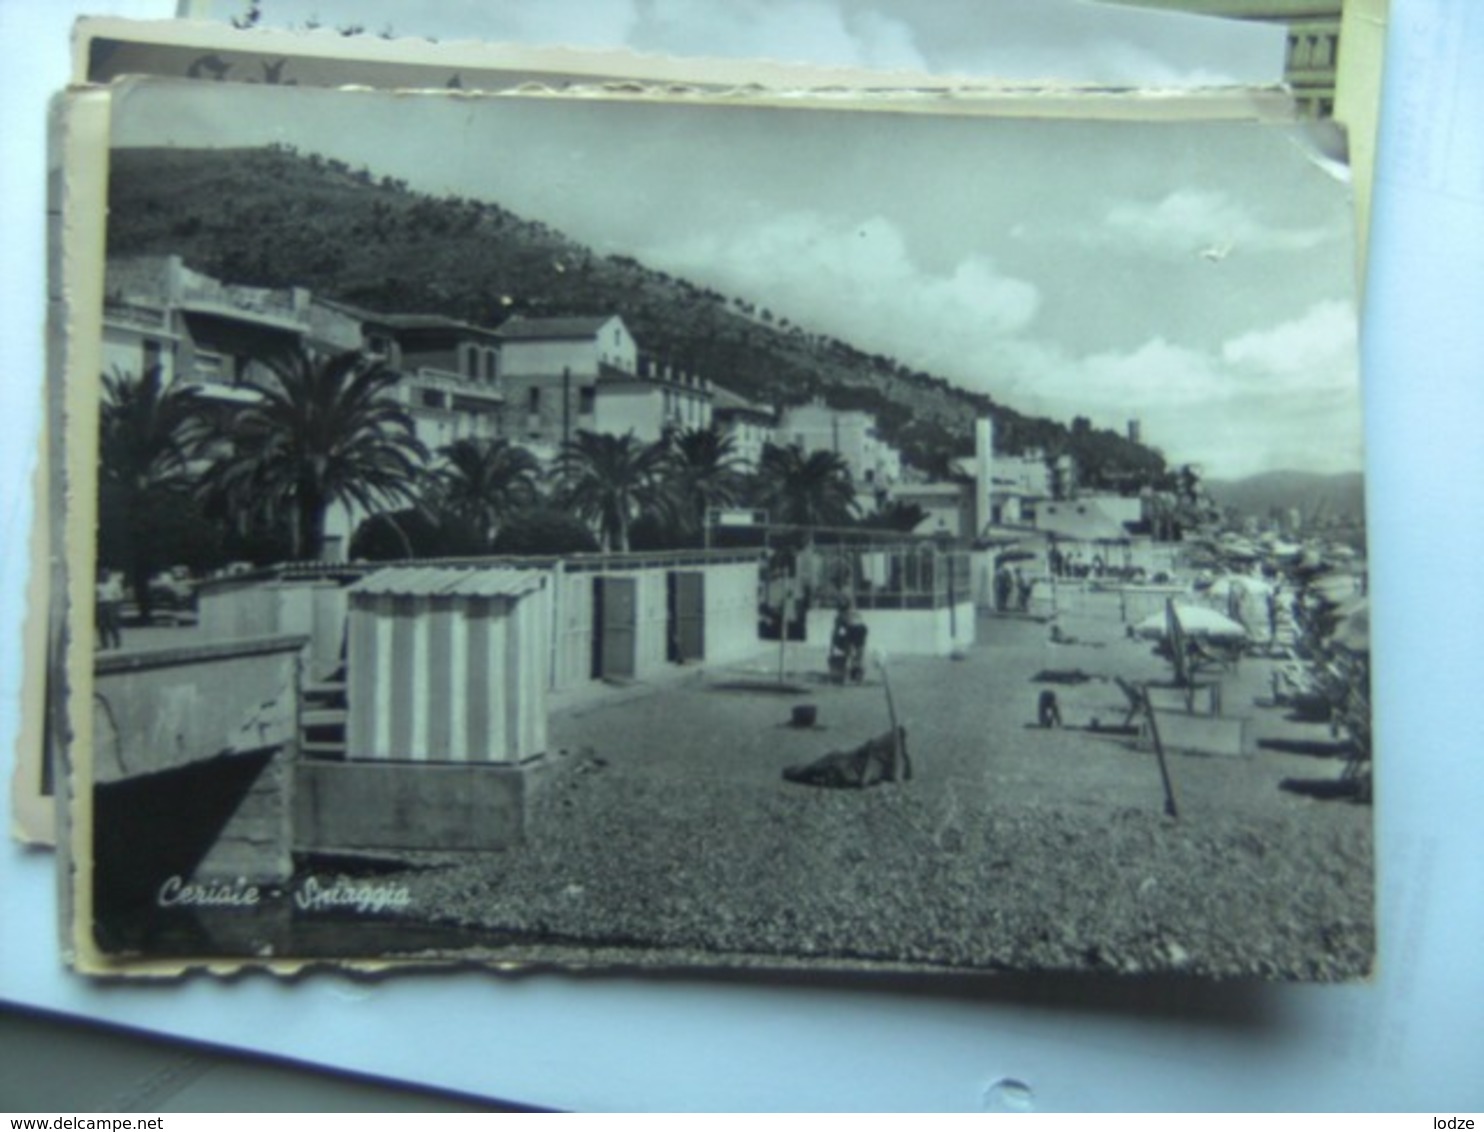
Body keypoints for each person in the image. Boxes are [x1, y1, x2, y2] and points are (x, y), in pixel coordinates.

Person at [95, 567, 123, 650]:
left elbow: (119, 596)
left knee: (113, 625)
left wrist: (117, 608)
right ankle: (104, 644)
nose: (104, 576)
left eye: (106, 574)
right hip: (101, 605)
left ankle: (117, 642)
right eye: (102, 574)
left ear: (109, 575)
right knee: (102, 626)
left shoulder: (114, 584)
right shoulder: (97, 585)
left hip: (111, 604)